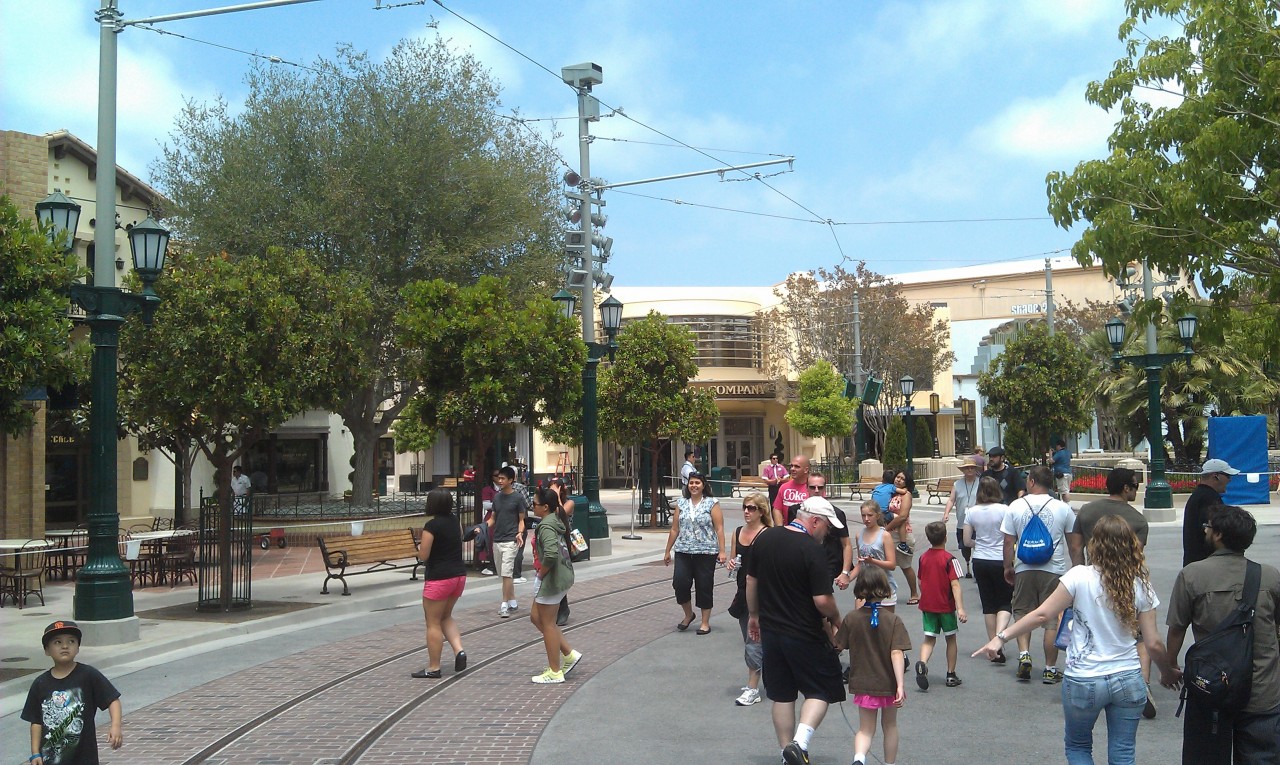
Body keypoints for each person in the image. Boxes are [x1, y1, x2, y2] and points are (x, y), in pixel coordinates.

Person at [973, 516, 1178, 765]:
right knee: (1123, 752)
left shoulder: (1079, 576)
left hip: (1084, 676)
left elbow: (1041, 614)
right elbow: (1153, 642)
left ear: (1095, 545)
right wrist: (1166, 672)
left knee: (1079, 746)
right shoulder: (1140, 585)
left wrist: (1000, 638)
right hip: (1127, 676)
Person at [1165, 504, 1280, 765]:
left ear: (1217, 535)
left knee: (1206, 757)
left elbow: (1177, 628)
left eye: (1208, 528)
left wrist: (1170, 666)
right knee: (1261, 757)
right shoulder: (1269, 576)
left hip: (1213, 685)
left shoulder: (1192, 575)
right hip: (1261, 688)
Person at [746, 496, 847, 765]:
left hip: (771, 629)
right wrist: (837, 620)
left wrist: (753, 615)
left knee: (781, 693)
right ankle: (799, 743)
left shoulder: (764, 538)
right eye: (827, 527)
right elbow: (822, 600)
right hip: (804, 631)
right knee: (821, 688)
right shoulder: (811, 550)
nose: (828, 534)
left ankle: (785, 753)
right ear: (815, 521)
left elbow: (751, 581)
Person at [1069, 465, 1158, 717]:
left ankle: (1094, 678)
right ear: (1126, 488)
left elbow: (1075, 548)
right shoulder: (1138, 521)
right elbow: (1134, 557)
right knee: (1138, 636)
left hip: (1091, 580)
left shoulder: (1086, 511)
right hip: (1125, 584)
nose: (1136, 490)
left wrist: (1080, 574)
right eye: (1135, 486)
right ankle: (1142, 684)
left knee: (1092, 631)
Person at [1000, 465, 1082, 684]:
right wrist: (1077, 570)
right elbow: (1074, 545)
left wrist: (1008, 566)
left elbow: (1008, 542)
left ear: (1033, 482)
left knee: (1023, 613)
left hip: (1024, 567)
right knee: (1052, 620)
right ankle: (1049, 668)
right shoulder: (1063, 508)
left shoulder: (1015, 506)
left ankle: (1024, 655)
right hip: (1053, 570)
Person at [836, 565, 910, 765]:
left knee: (865, 729)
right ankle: (889, 763)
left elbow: (838, 645)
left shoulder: (852, 618)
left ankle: (859, 758)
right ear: (885, 589)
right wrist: (900, 685)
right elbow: (897, 653)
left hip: (863, 681)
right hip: (888, 683)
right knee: (890, 726)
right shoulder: (893, 620)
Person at [23, 620, 123, 764]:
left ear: (78, 648)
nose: (65, 646)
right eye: (57, 642)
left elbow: (112, 700)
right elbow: (36, 721)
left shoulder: (88, 675)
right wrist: (35, 753)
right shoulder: (40, 683)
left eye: (71, 641)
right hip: (51, 759)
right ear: (47, 650)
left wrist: (115, 726)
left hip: (84, 757)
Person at [411, 488, 467, 679]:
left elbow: (424, 556)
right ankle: (459, 650)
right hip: (458, 576)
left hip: (438, 578)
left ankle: (434, 667)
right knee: (446, 616)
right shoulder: (454, 522)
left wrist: (419, 549)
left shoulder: (431, 526)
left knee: (433, 622)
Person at [528, 487, 581, 684]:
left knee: (548, 624)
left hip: (552, 579)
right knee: (536, 617)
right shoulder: (553, 521)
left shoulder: (546, 526)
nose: (532, 506)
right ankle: (568, 654)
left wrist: (541, 575)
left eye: (534, 504)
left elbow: (550, 554)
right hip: (561, 576)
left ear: (545, 507)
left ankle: (555, 670)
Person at [726, 491, 774, 707]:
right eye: (745, 507)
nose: (746, 511)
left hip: (764, 593)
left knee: (754, 639)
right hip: (743, 592)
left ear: (762, 511)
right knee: (750, 636)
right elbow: (734, 559)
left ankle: (753, 687)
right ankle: (763, 679)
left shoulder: (768, 534)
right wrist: (730, 564)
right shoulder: (737, 532)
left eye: (751, 508)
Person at [664, 471, 726, 634]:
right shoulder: (682, 503)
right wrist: (667, 551)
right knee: (680, 583)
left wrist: (722, 551)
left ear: (703, 485)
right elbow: (674, 528)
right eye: (691, 483)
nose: (694, 485)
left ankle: (705, 622)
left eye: (697, 482)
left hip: (706, 551)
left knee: (704, 585)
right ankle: (688, 614)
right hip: (683, 550)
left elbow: (719, 528)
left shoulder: (712, 503)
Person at [963, 476, 1014, 664]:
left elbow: (967, 541)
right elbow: (1011, 536)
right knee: (1004, 602)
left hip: (980, 560)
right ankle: (998, 641)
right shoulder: (1004, 510)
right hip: (1000, 559)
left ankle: (992, 643)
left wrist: (981, 544)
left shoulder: (971, 512)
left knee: (988, 604)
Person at [914, 521, 967, 691]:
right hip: (946, 606)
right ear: (945, 537)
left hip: (928, 605)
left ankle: (922, 663)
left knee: (929, 638)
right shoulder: (950, 559)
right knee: (950, 639)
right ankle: (951, 674)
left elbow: (921, 581)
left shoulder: (923, 558)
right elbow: (955, 585)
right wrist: (960, 608)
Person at [1181, 458, 1239, 567]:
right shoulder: (1209, 499)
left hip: (1197, 563)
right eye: (1227, 476)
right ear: (1215, 476)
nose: (1229, 480)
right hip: (1206, 564)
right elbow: (1214, 531)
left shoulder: (1200, 495)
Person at [487, 465, 527, 618]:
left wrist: (519, 533)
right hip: (497, 539)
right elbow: (493, 518)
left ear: (511, 480)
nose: (500, 480)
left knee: (506, 573)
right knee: (504, 574)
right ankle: (512, 599)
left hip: (511, 540)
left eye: (503, 478)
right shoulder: (497, 497)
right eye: (499, 478)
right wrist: (482, 528)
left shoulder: (517, 497)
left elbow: (522, 520)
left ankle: (504, 604)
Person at [850, 499, 898, 612]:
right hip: (865, 584)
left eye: (870, 515)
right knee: (861, 621)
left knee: (886, 624)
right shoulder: (859, 535)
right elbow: (860, 563)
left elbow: (892, 565)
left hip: (883, 584)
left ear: (877, 516)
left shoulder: (885, 536)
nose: (866, 519)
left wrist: (873, 561)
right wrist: (848, 578)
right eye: (863, 516)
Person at [808, 472, 853, 591]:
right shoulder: (797, 510)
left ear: (825, 489)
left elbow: (846, 544)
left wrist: (845, 572)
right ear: (807, 488)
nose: (816, 490)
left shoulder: (836, 514)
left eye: (820, 487)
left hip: (827, 565)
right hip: (803, 564)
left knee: (822, 599)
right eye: (812, 487)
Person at [884, 470, 921, 605]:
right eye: (897, 477)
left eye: (902, 479)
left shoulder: (907, 495)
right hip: (888, 534)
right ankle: (884, 592)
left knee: (905, 566)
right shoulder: (891, 492)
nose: (898, 480)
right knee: (882, 564)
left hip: (902, 535)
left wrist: (886, 529)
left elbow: (903, 516)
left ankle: (914, 594)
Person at [941, 455, 982, 577]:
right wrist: (946, 513)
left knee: (977, 546)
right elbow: (951, 500)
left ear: (976, 469)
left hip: (978, 522)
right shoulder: (957, 484)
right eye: (967, 468)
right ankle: (967, 563)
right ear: (963, 470)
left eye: (972, 468)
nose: (969, 470)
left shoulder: (981, 483)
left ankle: (976, 569)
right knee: (964, 546)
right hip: (962, 522)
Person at [549, 477, 575, 627]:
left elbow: (561, 514)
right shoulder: (549, 504)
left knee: (560, 575)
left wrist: (557, 497)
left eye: (554, 487)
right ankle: (556, 608)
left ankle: (563, 608)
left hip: (565, 543)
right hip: (552, 542)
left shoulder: (569, 502)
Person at [772, 454, 811, 526]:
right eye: (792, 466)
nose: (792, 469)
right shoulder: (784, 487)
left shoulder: (814, 488)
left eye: (797, 466)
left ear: (806, 470)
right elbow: (777, 509)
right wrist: (780, 528)